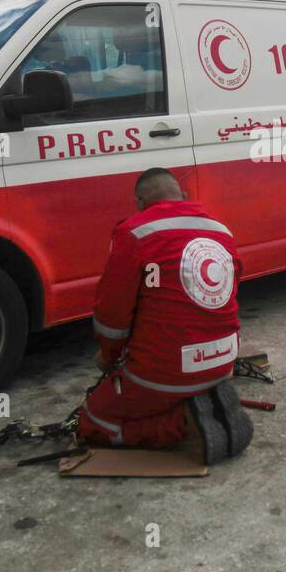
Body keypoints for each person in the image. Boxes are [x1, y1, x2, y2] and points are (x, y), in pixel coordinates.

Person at [76, 167, 253, 464]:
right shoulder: (222, 232)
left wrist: (109, 356)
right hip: (223, 364)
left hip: (166, 373)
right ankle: (206, 399)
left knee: (94, 420)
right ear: (183, 196)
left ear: (140, 201)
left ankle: (185, 423)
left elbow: (112, 315)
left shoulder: (134, 233)